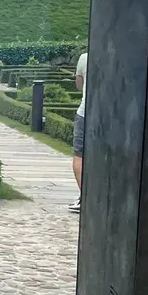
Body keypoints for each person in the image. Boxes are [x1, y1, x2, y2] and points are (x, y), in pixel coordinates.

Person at [70, 51, 87, 213]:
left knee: (79, 156)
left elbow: (79, 85)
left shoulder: (85, 58)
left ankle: (85, 197)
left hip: (86, 112)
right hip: (114, 117)